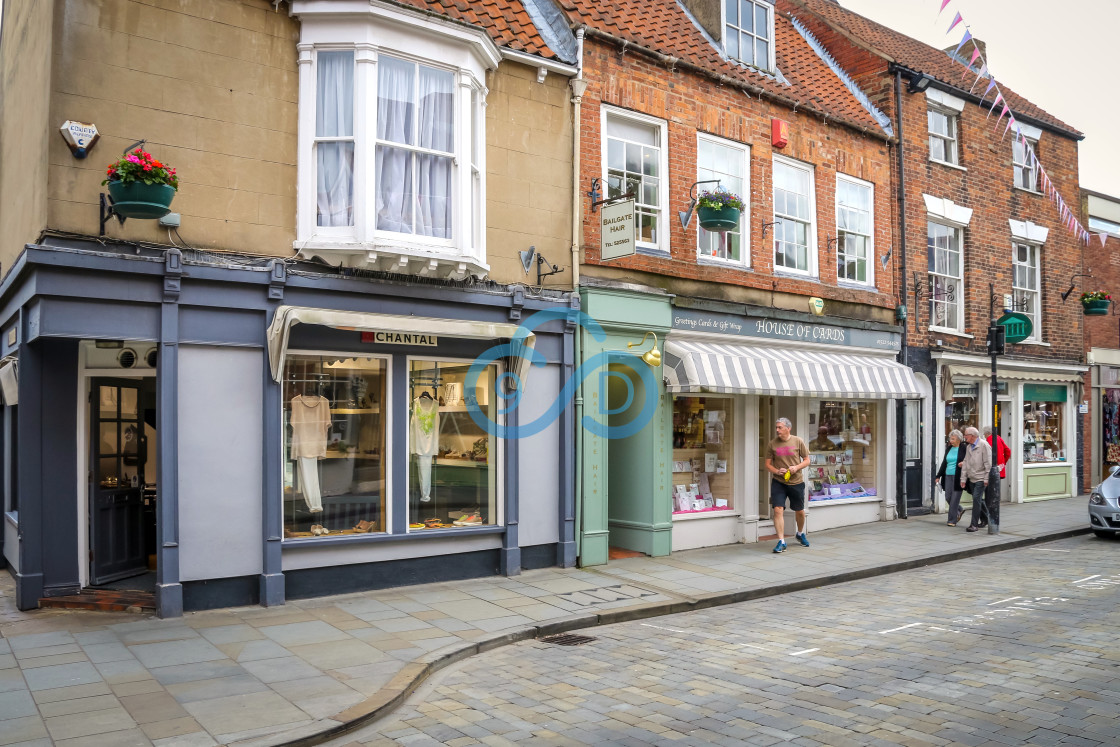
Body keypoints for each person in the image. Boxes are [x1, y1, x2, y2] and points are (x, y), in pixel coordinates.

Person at [765, 417, 811, 553]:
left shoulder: (798, 441)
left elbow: (807, 460)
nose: (777, 430)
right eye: (776, 427)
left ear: (788, 428)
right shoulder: (772, 444)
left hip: (796, 482)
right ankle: (781, 541)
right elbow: (767, 464)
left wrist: (796, 468)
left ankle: (800, 533)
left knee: (799, 511)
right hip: (779, 482)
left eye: (780, 427)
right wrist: (777, 471)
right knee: (778, 510)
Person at [960, 426, 996, 534]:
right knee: (978, 500)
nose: (964, 436)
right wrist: (963, 478)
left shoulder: (984, 445)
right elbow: (966, 462)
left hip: (981, 478)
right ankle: (985, 519)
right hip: (972, 478)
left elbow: (988, 464)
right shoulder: (968, 447)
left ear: (972, 436)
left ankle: (973, 524)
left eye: (966, 435)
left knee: (976, 499)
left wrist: (986, 479)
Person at [935, 429, 967, 526]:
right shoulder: (949, 448)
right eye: (950, 438)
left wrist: (964, 463)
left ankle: (952, 520)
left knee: (954, 499)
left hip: (959, 477)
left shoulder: (964, 448)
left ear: (958, 439)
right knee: (948, 496)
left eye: (953, 439)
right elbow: (944, 463)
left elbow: (970, 460)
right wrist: (938, 476)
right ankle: (960, 509)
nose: (951, 440)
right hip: (948, 476)